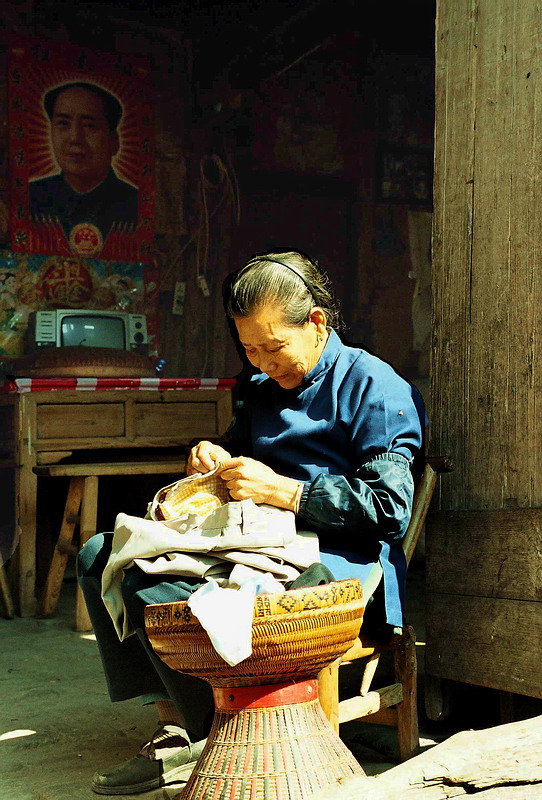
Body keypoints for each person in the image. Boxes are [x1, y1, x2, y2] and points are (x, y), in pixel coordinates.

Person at [77, 249, 424, 795]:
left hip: (338, 563)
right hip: (253, 545)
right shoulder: (259, 390)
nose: (262, 362)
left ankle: (213, 736)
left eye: (273, 346)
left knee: (207, 594)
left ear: (315, 323)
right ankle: (179, 726)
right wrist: (213, 458)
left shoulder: (374, 387)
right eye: (249, 348)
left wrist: (287, 492)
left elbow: (387, 510)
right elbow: (239, 460)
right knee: (103, 556)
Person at [29, 82, 138, 243]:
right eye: (63, 124)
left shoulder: (136, 206)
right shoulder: (30, 198)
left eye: (89, 126)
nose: (75, 138)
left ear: (114, 142)